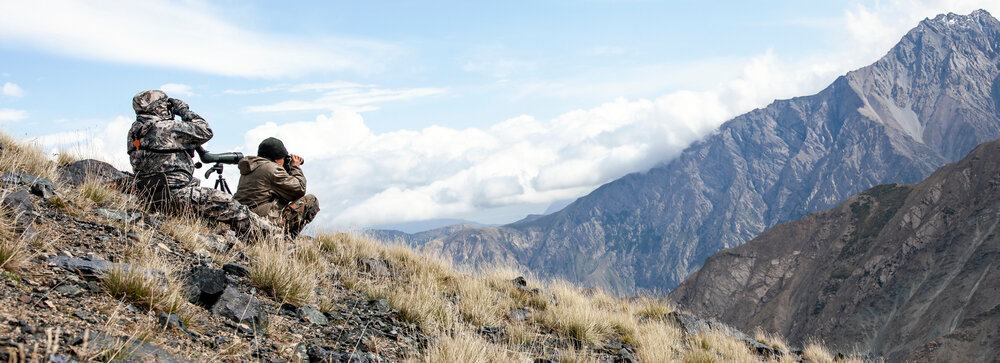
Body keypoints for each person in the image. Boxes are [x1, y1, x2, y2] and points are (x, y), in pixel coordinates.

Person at [127, 90, 279, 238]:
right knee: (228, 203)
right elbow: (205, 130)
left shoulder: (135, 132)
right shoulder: (164, 127)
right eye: (166, 106)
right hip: (174, 194)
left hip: (149, 193)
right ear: (159, 107)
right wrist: (183, 110)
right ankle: (273, 237)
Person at [234, 137, 320, 239]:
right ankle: (285, 239)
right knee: (311, 200)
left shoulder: (251, 167)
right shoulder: (272, 169)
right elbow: (299, 189)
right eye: (283, 158)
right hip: (263, 225)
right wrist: (295, 167)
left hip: (243, 223)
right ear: (277, 160)